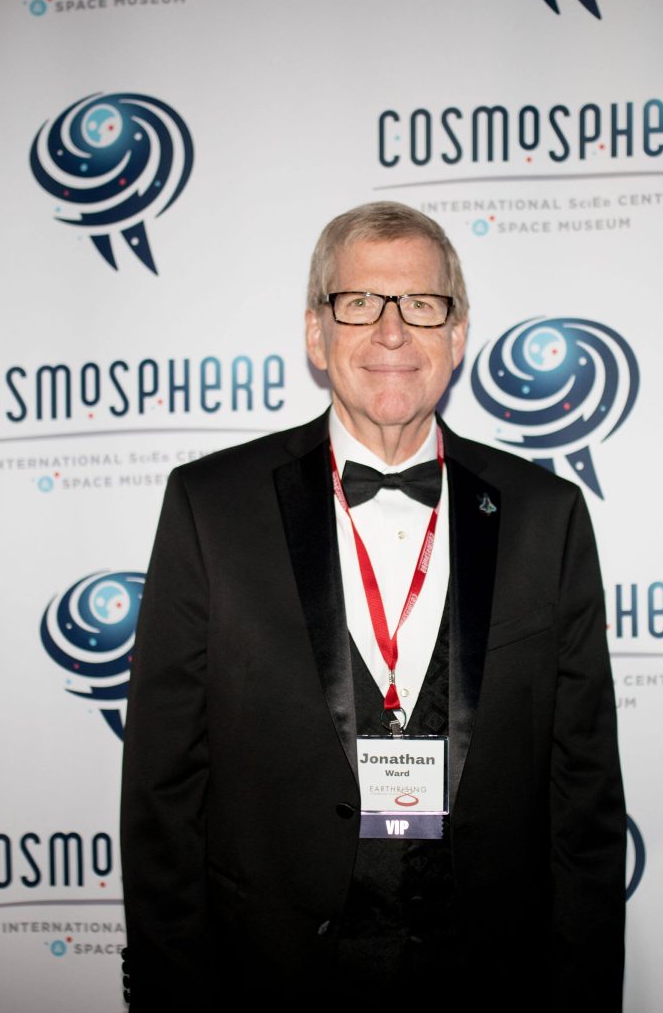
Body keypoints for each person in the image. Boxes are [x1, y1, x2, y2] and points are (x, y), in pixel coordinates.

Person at [120, 201, 625, 1008]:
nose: (392, 332)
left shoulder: (546, 515)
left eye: (422, 304)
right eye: (359, 303)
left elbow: (585, 798)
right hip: (272, 979)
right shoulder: (211, 508)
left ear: (457, 336)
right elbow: (163, 789)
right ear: (316, 334)